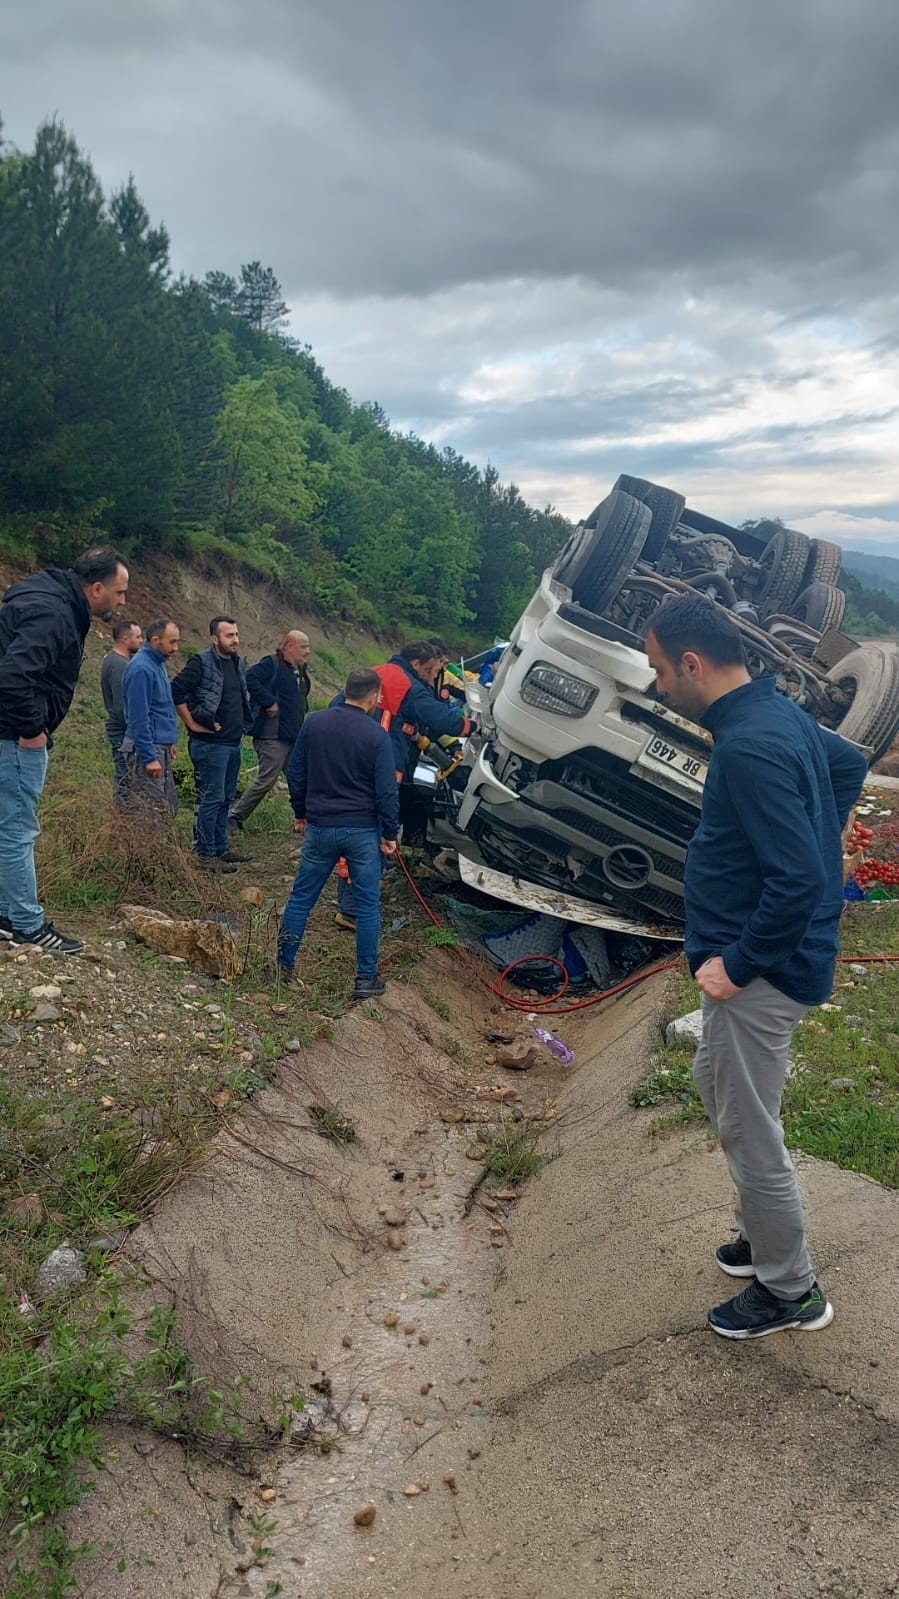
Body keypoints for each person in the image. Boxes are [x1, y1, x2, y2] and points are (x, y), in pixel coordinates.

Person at [644, 595, 867, 1341]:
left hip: (760, 972)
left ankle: (789, 1288)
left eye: (656, 669)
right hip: (761, 960)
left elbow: (800, 882)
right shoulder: (771, 713)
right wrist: (818, 829)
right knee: (718, 1088)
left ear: (692, 664)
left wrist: (737, 964)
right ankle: (759, 1239)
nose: (654, 686)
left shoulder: (749, 744)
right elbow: (847, 762)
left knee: (748, 1127)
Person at [0, 546, 129, 953]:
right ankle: (26, 924)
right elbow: (14, 676)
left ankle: (6, 914)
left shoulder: (47, 593)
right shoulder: (55, 614)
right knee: (18, 830)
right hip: (15, 737)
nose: (122, 601)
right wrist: (32, 730)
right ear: (96, 589)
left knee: (7, 827)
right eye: (119, 593)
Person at [279, 668, 399, 1001]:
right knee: (367, 906)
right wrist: (389, 832)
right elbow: (387, 791)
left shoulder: (314, 723)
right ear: (374, 697)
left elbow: (296, 771)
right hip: (361, 832)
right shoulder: (377, 736)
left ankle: (283, 967)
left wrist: (300, 811)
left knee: (302, 899)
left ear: (346, 690)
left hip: (320, 828)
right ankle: (365, 979)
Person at [170, 615, 254, 873]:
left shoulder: (237, 662)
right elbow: (176, 690)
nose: (235, 640)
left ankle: (220, 848)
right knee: (212, 799)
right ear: (215, 639)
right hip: (210, 745)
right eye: (229, 636)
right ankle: (205, 856)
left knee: (226, 797)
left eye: (236, 635)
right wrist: (191, 723)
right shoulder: (201, 662)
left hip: (232, 743)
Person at [229, 630, 311, 832]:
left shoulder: (299, 670)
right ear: (289, 646)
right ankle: (234, 817)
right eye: (303, 647)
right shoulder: (271, 664)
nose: (307, 652)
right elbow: (250, 678)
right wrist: (269, 701)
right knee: (267, 779)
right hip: (271, 735)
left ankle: (304, 819)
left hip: (292, 735)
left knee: (298, 778)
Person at [121, 619, 181, 819]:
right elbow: (138, 717)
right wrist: (149, 757)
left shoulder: (159, 664)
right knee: (149, 810)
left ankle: (161, 849)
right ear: (156, 640)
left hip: (160, 745)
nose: (176, 648)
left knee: (167, 805)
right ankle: (145, 850)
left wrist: (169, 741)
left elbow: (162, 706)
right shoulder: (141, 668)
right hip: (147, 748)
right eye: (172, 642)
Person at [101, 619, 143, 804]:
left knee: (127, 777)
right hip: (123, 732)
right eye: (138, 637)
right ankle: (123, 819)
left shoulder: (117, 661)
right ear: (126, 639)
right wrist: (137, 730)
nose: (141, 641)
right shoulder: (119, 665)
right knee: (126, 777)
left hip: (124, 730)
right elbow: (121, 707)